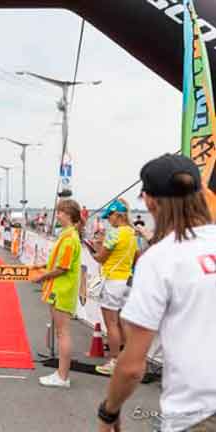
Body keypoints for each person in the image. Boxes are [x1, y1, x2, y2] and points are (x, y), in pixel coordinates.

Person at [97, 154, 216, 432]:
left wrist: (108, 412)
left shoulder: (161, 259)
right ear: (200, 192)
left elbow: (132, 366)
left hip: (197, 411)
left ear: (150, 201)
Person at [32, 200, 83, 388]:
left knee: (63, 333)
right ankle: (61, 373)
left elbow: (63, 267)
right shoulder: (67, 235)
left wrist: (42, 277)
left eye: (60, 212)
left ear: (68, 214)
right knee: (61, 332)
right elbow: (58, 262)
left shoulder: (69, 238)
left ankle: (62, 376)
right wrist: (42, 267)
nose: (57, 216)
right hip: (58, 289)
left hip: (62, 290)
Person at [90, 198, 138, 376]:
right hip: (127, 280)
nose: (108, 219)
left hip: (112, 280)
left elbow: (100, 258)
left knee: (111, 323)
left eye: (109, 216)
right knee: (122, 322)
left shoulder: (114, 234)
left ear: (118, 215)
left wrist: (95, 247)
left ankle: (115, 360)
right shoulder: (132, 233)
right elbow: (136, 256)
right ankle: (127, 358)